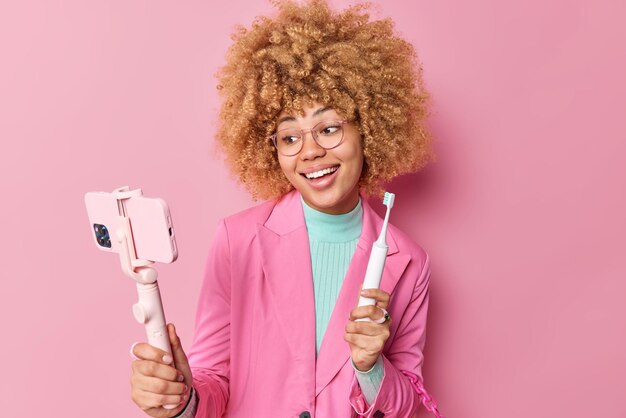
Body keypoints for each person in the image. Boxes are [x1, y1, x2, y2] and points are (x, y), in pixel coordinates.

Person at [130, 0, 435, 416]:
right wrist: (181, 399)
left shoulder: (409, 262)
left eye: (329, 128)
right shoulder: (237, 241)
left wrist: (371, 368)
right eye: (289, 137)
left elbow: (412, 405)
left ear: (368, 128)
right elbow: (213, 382)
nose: (310, 151)